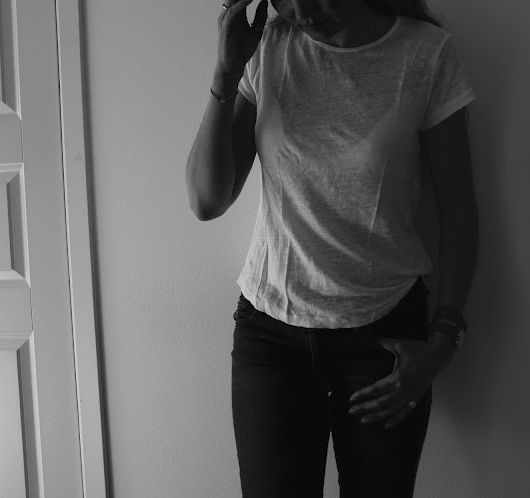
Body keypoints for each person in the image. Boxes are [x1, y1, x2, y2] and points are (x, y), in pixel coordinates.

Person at [186, 0, 479, 496]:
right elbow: (206, 200)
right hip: (272, 337)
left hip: (384, 339)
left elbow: (459, 210)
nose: (301, 9)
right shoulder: (268, 51)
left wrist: (443, 341)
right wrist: (226, 72)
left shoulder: (425, 54)